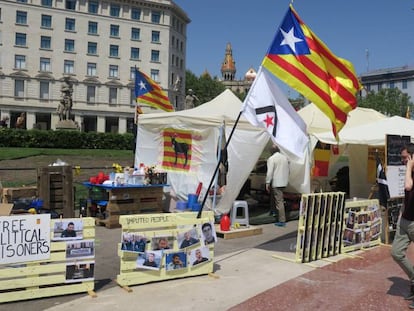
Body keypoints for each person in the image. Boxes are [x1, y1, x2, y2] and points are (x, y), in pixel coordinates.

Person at [391, 143, 414, 306]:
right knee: (396, 252)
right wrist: (401, 212)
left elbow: (408, 186)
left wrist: (409, 167)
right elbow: (408, 195)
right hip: (405, 220)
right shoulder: (409, 171)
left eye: (405, 158)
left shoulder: (410, 172)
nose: (403, 161)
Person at [265, 144, 290, 227]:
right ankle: (274, 212)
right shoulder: (285, 158)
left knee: (279, 201)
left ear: (271, 151)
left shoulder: (271, 159)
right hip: (284, 182)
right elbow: (288, 170)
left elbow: (270, 172)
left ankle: (282, 220)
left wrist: (267, 182)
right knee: (276, 198)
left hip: (277, 182)